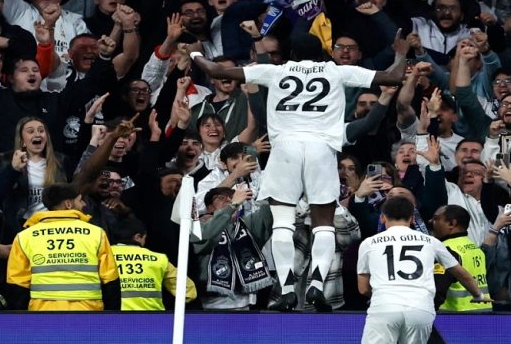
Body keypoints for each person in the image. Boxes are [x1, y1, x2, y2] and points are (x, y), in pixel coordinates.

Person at [191, 32, 410, 310]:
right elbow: (393, 77)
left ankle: (286, 289)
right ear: (322, 53)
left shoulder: (275, 70)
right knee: (324, 223)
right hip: (321, 148)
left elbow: (215, 70)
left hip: (285, 148)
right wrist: (401, 52)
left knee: (282, 222)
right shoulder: (337, 71)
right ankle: (317, 284)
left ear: (292, 54)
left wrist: (194, 53)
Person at [357, 198, 489, 344]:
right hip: (420, 309)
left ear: (382, 217)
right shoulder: (431, 242)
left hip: (384, 308)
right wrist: (478, 295)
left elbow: (363, 289)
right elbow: (461, 273)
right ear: (412, 219)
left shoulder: (369, 243)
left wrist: (385, 296)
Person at [5, 183, 121, 311]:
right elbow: (111, 281)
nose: (84, 204)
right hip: (87, 313)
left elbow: (17, 286)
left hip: (43, 314)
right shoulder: (96, 234)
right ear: (68, 204)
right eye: (80, 200)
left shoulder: (25, 237)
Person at [110, 218, 196, 311]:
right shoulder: (159, 259)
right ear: (137, 237)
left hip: (111, 316)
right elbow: (188, 291)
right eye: (144, 238)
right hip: (152, 317)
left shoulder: (106, 255)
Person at [430, 205, 492, 312]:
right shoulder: (475, 248)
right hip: (483, 310)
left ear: (451, 224)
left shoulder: (445, 250)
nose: (431, 221)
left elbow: (438, 288)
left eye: (436, 218)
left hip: (456, 314)